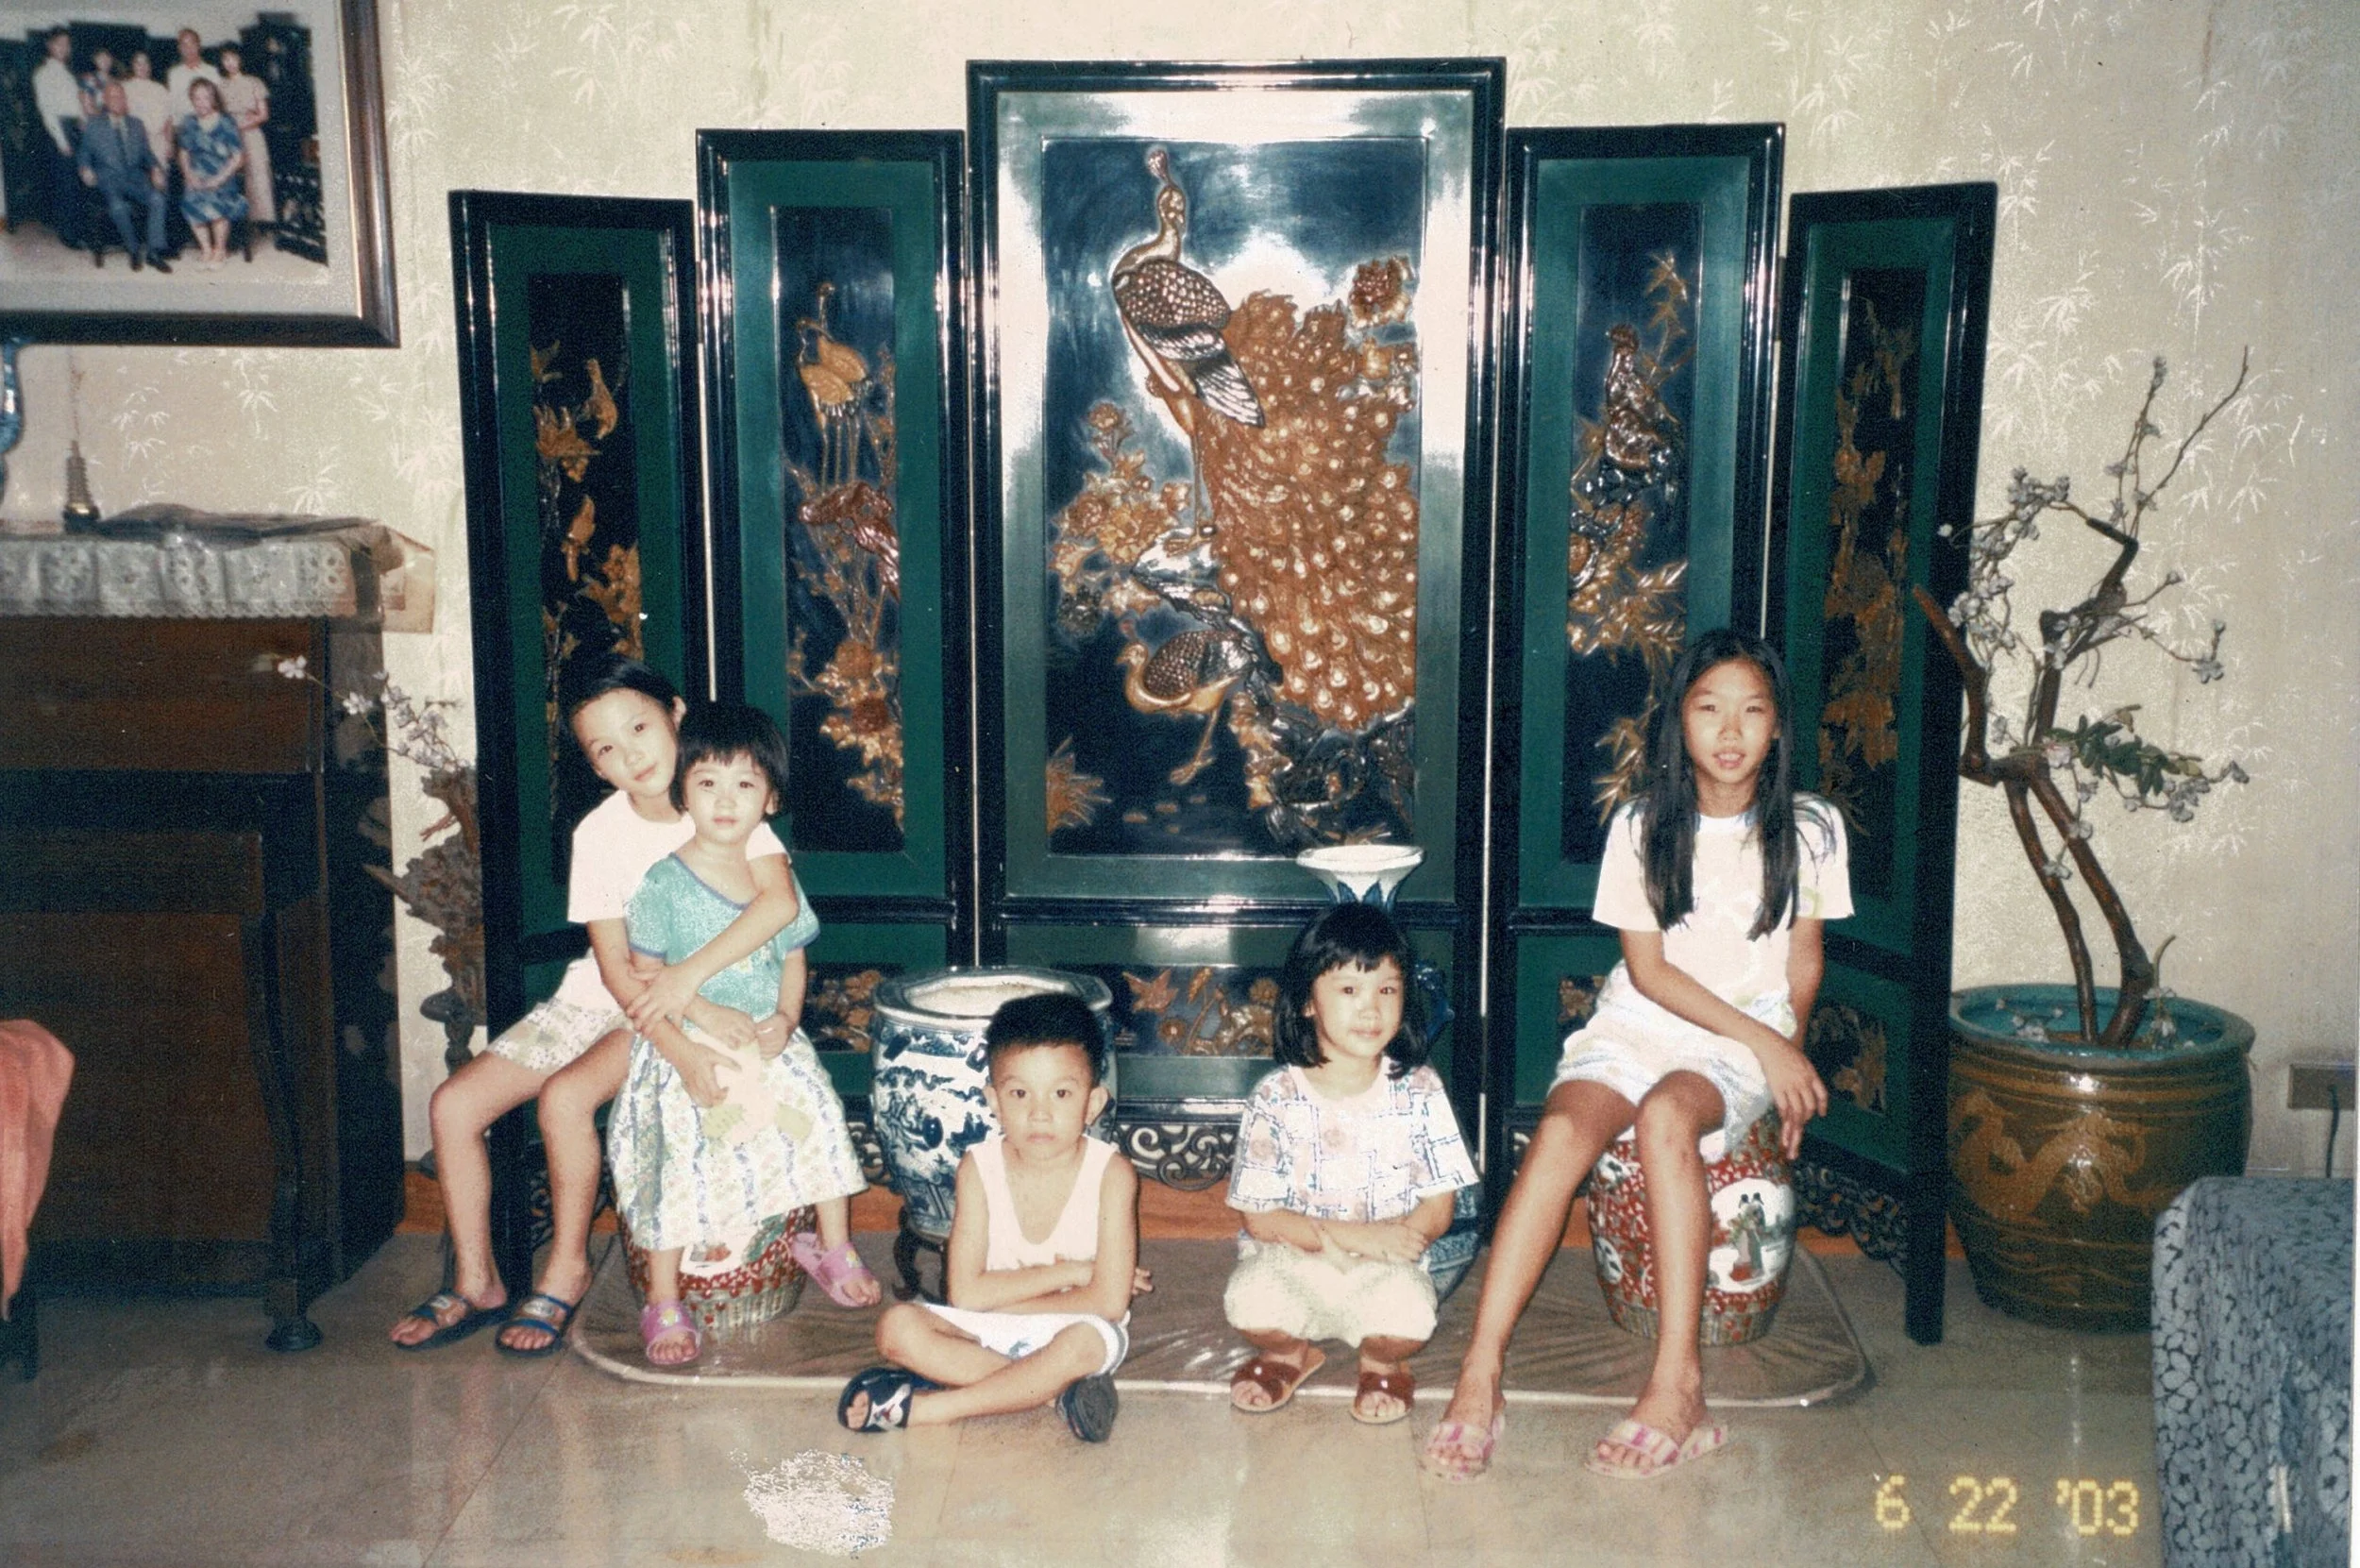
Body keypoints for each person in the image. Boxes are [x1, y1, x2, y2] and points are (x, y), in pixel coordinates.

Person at [1421, 628, 1848, 1481]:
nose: (1730, 730)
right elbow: (1648, 971)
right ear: (1679, 722)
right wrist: (1774, 1047)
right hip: (1641, 1018)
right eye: (1709, 708)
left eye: (1752, 710)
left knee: (1665, 1118)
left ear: (1778, 727)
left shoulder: (1811, 829)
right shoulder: (1643, 824)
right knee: (1558, 1135)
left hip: (1739, 1041)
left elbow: (1804, 961)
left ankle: (1678, 1384)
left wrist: (1786, 1062)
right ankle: (1480, 1370)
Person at [387, 655, 805, 1358]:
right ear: (594, 766)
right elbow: (613, 967)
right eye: (604, 748)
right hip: (610, 997)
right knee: (453, 1105)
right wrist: (673, 1029)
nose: (630, 755)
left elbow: (780, 906)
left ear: (676, 714)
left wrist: (686, 1003)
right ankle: (477, 1280)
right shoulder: (599, 834)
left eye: (639, 727)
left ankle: (566, 1268)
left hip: (693, 1004)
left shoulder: (721, 802)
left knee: (566, 1098)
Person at [604, 701, 878, 1367]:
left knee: (818, 1114)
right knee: (681, 1151)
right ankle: (663, 1296)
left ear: (770, 798)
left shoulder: (769, 875)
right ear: (683, 792)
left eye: (745, 784)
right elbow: (648, 979)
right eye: (707, 782)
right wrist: (700, 1020)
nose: (726, 800)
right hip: (688, 1049)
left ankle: (831, 1244)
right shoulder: (661, 884)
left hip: (763, 1040)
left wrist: (785, 1018)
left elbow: (792, 956)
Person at [839, 992, 1143, 1442]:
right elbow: (964, 1294)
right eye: (1019, 1093)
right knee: (897, 1327)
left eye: (1061, 1093)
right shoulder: (978, 1169)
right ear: (995, 1101)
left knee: (1082, 1345)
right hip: (994, 1328)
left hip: (1075, 1329)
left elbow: (1108, 1304)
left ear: (1093, 1102)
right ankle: (1055, 1395)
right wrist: (1073, 1272)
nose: (1039, 1113)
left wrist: (999, 1302)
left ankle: (934, 1407)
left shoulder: (1112, 1174)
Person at [1222, 902, 1476, 1425]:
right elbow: (1261, 1219)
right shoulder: (1275, 1097)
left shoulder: (1421, 1089)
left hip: (1385, 1266)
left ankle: (1382, 1362)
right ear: (1307, 1002)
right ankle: (1289, 1354)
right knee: (1248, 1302)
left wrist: (1399, 1242)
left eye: (1387, 989)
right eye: (1348, 990)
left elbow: (1439, 1207)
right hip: (1294, 1259)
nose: (1371, 1009)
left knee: (1411, 1314)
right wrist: (1361, 1237)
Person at [76, 80, 169, 272]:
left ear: (126, 99)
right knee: (119, 207)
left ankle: (154, 252)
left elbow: (147, 154)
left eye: (120, 96)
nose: (117, 100)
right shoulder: (94, 125)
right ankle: (133, 250)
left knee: (158, 199)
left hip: (135, 178)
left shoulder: (136, 124)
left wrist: (156, 169)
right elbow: (84, 153)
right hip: (108, 178)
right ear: (105, 100)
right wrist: (85, 169)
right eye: (112, 97)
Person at [175, 77, 244, 269]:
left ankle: (220, 250)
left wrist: (219, 179)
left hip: (223, 173)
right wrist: (189, 175)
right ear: (192, 100)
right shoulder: (189, 122)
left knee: (216, 198)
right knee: (191, 197)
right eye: (197, 98)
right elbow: (183, 153)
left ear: (213, 99)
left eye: (206, 98)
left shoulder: (226, 122)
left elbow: (238, 157)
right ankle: (206, 249)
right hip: (197, 173)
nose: (201, 102)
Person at [32, 29, 81, 245]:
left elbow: (75, 105)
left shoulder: (67, 74)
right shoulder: (43, 74)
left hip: (74, 127)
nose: (64, 48)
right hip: (60, 130)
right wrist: (62, 141)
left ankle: (75, 229)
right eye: (59, 43)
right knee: (65, 184)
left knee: (74, 181)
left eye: (67, 44)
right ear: (50, 45)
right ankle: (68, 234)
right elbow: (47, 111)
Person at [214, 46, 272, 229]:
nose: (230, 63)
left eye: (233, 58)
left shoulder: (254, 82)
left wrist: (242, 125)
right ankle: (234, 223)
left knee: (258, 175)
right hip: (229, 136)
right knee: (230, 175)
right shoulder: (220, 86)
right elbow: (217, 115)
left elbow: (263, 115)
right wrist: (229, 129)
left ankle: (261, 222)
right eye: (226, 59)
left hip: (251, 132)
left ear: (240, 59)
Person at [122, 52, 175, 177]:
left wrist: (169, 143)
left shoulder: (160, 89)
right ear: (133, 66)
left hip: (158, 142)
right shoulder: (124, 87)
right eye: (138, 63)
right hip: (134, 143)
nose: (142, 67)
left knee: (160, 179)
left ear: (150, 66)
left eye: (145, 63)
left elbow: (169, 119)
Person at [164, 28, 218, 121]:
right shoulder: (174, 74)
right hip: (181, 125)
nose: (189, 49)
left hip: (206, 123)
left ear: (199, 46)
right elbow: (171, 105)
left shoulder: (211, 72)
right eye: (184, 45)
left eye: (192, 44)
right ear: (179, 48)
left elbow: (217, 102)